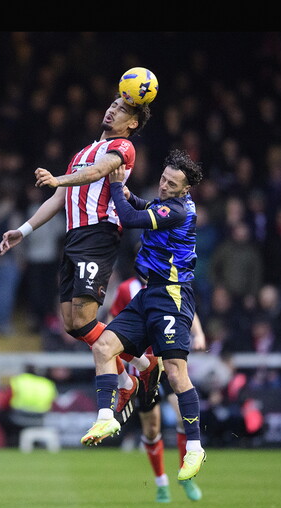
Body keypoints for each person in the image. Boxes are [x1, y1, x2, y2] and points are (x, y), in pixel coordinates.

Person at [0, 95, 153, 412]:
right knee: (72, 324)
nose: (112, 110)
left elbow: (98, 172)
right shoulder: (81, 153)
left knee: (84, 317)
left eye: (121, 109)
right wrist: (22, 231)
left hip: (99, 234)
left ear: (132, 123)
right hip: (74, 237)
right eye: (112, 105)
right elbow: (57, 200)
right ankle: (136, 373)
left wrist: (58, 178)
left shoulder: (123, 148)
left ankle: (135, 372)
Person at [80, 149, 207, 484]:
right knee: (104, 346)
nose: (164, 186)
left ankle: (194, 446)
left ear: (185, 190)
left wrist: (117, 183)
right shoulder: (168, 203)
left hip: (172, 296)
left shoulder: (179, 210)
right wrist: (126, 192)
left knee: (178, 374)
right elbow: (144, 205)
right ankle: (107, 415)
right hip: (150, 293)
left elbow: (133, 218)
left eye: (172, 183)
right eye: (163, 179)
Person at [108, 272, 207, 503]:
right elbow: (115, 322)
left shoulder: (171, 282)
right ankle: (161, 482)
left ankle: (186, 477)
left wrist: (199, 333)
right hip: (142, 366)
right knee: (152, 429)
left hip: (167, 359)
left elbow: (186, 309)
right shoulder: (126, 289)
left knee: (184, 416)